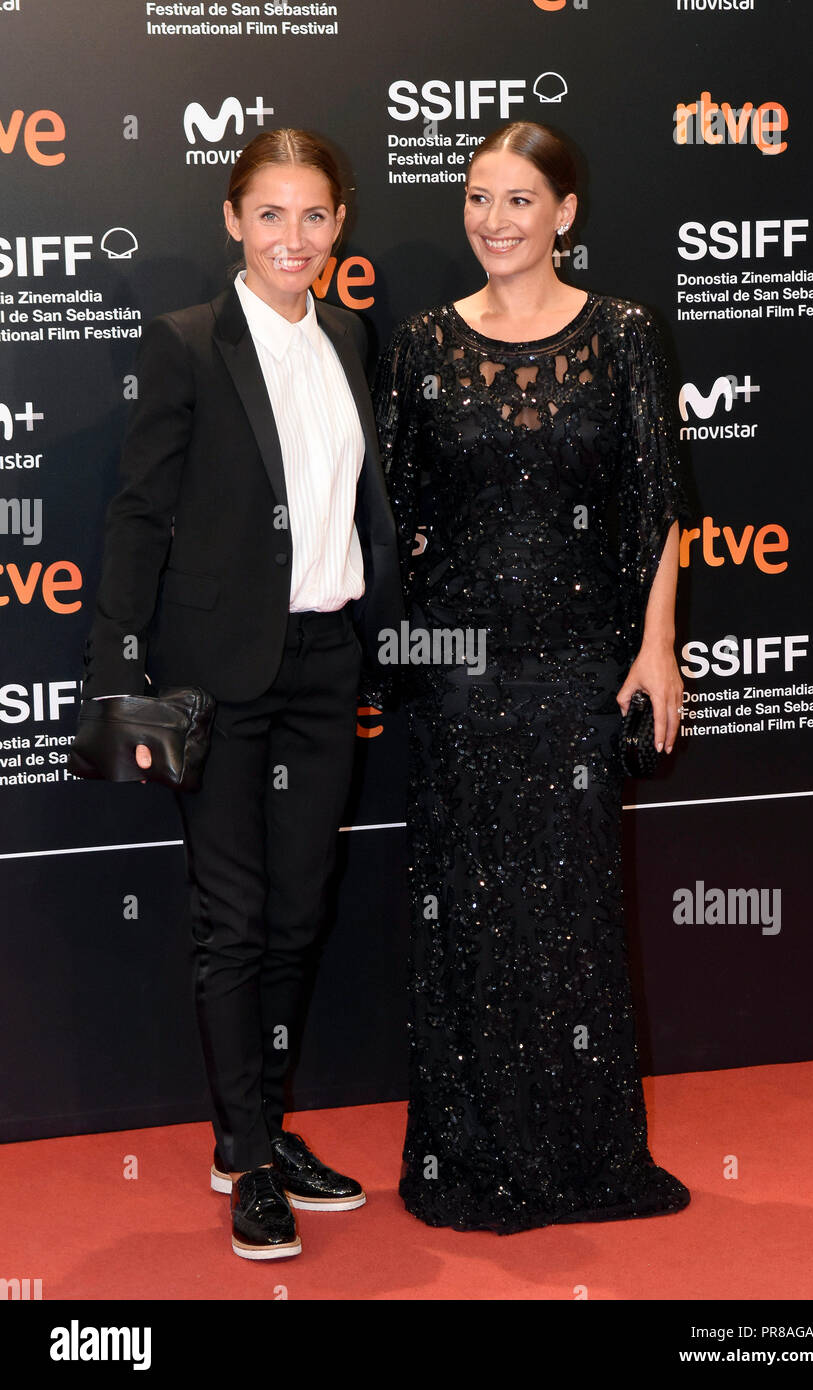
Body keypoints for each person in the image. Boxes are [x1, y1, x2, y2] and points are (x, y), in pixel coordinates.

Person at [81, 129, 402, 1259]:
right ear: (232, 220)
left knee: (301, 912)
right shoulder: (187, 344)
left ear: (338, 226)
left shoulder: (353, 336)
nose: (293, 239)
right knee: (236, 919)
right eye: (271, 214)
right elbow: (137, 512)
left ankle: (255, 1131)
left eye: (315, 217)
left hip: (325, 670)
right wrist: (119, 667)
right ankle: (249, 1157)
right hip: (213, 681)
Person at [373, 121, 693, 1234]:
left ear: (565, 212)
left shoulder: (624, 336)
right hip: (458, 672)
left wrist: (655, 649)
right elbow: (394, 516)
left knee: (569, 918)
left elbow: (659, 504)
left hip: (575, 669)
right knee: (465, 915)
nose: (493, 220)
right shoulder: (418, 344)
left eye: (519, 199)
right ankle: (474, 1152)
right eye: (477, 197)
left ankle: (582, 1154)